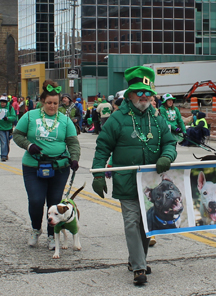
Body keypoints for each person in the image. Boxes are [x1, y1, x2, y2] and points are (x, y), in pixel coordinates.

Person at [92, 66, 177, 285]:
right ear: (130, 94)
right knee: (132, 222)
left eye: (148, 93)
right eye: (140, 92)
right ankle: (139, 268)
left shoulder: (157, 119)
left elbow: (170, 142)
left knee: (146, 225)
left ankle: (136, 260)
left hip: (152, 183)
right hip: (127, 181)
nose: (145, 97)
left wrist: (167, 156)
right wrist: (98, 174)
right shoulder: (117, 119)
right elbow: (102, 147)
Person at [12, 80, 80, 250]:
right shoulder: (30, 116)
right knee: (36, 201)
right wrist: (29, 146)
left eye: (55, 103)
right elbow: (17, 135)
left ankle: (52, 235)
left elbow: (72, 143)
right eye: (49, 103)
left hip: (59, 167)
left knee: (55, 203)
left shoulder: (65, 120)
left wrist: (74, 158)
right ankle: (36, 229)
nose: (52, 106)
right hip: (33, 166)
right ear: (42, 101)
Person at [0, 95, 17, 161]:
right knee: (3, 141)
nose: (2, 104)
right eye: (1, 102)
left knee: (7, 142)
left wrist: (7, 118)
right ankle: (3, 155)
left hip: (8, 128)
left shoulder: (10, 108)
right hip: (0, 128)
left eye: (4, 102)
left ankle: (5, 154)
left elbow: (13, 117)